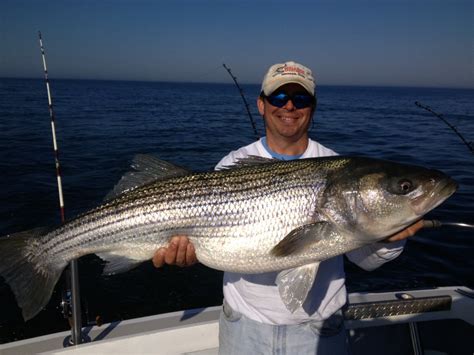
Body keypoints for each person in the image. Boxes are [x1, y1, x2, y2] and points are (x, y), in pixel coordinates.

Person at [152, 61, 424, 354]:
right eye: (279, 97)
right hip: (244, 325)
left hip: (319, 327)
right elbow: (210, 245)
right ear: (261, 104)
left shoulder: (338, 164)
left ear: (313, 106)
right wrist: (184, 255)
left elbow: (367, 260)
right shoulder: (231, 164)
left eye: (301, 98)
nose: (290, 106)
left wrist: (389, 238)